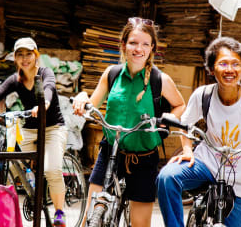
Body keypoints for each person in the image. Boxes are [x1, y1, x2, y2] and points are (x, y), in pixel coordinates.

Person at [157, 37, 241, 227]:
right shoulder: (203, 95)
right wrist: (188, 151)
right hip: (206, 163)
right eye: (223, 63)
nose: (229, 70)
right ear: (212, 69)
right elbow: (185, 126)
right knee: (167, 177)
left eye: (235, 64)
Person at [73, 17, 186, 227]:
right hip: (110, 151)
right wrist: (81, 97)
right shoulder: (112, 74)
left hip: (143, 158)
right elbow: (92, 103)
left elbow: (180, 105)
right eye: (133, 43)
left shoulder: (160, 80)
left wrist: (165, 122)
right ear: (123, 45)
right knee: (90, 218)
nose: (138, 49)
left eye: (145, 44)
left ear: (152, 48)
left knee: (139, 224)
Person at [0, 37, 68, 227]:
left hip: (53, 128)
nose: (25, 59)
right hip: (30, 129)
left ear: (35, 55)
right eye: (20, 55)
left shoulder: (45, 73)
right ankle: (31, 187)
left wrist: (44, 104)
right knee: (11, 158)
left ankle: (59, 212)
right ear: (15, 58)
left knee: (51, 170)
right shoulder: (15, 79)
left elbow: (49, 88)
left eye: (28, 54)